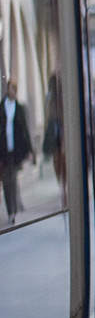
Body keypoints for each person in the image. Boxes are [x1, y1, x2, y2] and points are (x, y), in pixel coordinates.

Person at [1, 79, 35, 225]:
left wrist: (30, 150)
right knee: (6, 181)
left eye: (13, 89)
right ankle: (10, 210)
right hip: (3, 151)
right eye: (9, 89)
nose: (11, 92)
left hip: (15, 151)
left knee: (13, 179)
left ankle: (13, 211)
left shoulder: (19, 108)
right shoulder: (1, 108)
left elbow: (25, 130)